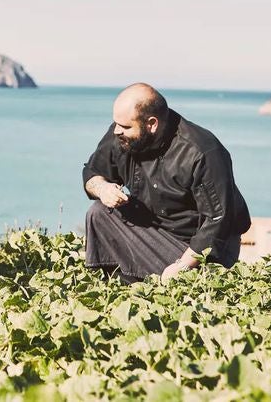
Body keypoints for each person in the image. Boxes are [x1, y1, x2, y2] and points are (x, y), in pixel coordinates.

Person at [81, 83, 251, 283]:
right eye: (116, 123)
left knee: (178, 275)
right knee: (99, 213)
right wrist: (103, 189)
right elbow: (92, 172)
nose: (116, 131)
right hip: (155, 230)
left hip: (199, 252)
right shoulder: (121, 135)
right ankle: (117, 283)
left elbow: (218, 221)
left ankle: (148, 284)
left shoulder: (201, 151)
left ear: (151, 124)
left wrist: (182, 265)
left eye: (126, 126)